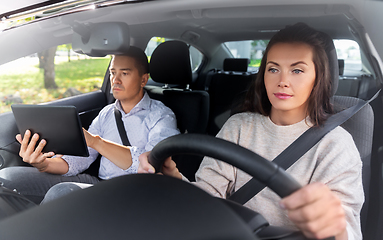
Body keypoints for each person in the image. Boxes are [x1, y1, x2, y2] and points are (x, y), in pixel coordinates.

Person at [138, 23, 363, 240]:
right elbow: (207, 199)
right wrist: (174, 179)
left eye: (297, 70)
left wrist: (333, 226)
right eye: (273, 69)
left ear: (318, 78)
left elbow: (348, 230)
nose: (283, 81)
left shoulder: (336, 144)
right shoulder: (239, 126)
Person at [0, 46, 179, 204]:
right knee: (7, 178)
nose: (115, 80)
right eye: (112, 72)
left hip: (135, 191)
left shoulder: (162, 116)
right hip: (98, 184)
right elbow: (78, 162)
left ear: (143, 80)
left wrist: (96, 142)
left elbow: (151, 164)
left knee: (61, 193)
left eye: (124, 73)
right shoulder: (107, 113)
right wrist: (43, 164)